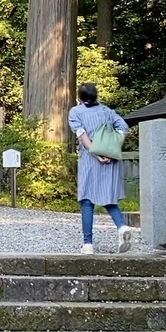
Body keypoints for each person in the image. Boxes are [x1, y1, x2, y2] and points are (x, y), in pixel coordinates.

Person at [67, 82, 132, 255]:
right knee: (109, 199)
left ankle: (88, 244)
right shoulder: (106, 111)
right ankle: (121, 227)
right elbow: (124, 128)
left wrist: (96, 153)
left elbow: (83, 136)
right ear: (96, 96)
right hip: (111, 161)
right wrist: (111, 150)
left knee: (87, 201)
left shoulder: (76, 112)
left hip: (90, 160)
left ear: (80, 97)